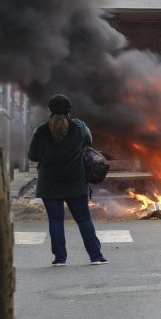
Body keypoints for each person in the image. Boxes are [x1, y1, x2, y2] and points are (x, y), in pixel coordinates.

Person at [28, 94, 108, 266]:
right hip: (75, 182)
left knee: (55, 220)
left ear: (49, 110)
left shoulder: (41, 131)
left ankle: (60, 258)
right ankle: (95, 256)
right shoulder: (80, 128)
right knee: (84, 219)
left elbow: (32, 155)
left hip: (49, 183)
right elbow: (89, 141)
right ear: (69, 110)